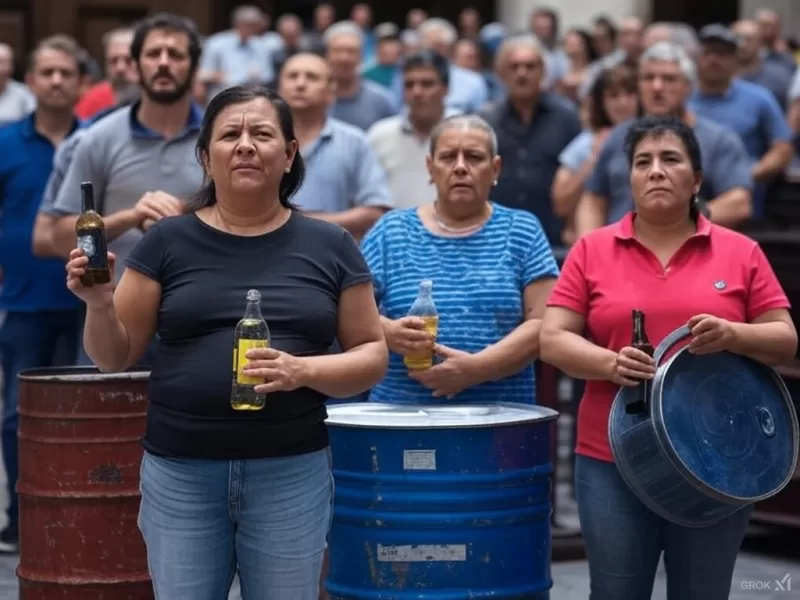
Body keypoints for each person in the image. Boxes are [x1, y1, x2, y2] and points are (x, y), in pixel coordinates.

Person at [64, 83, 388, 599]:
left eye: (261, 134)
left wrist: (302, 371)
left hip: (290, 473)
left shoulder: (331, 245)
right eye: (229, 134)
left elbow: (372, 355)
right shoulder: (166, 241)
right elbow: (112, 357)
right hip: (181, 474)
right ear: (205, 157)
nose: (244, 145)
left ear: (288, 155)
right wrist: (98, 303)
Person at [540, 115, 798, 600]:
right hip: (611, 456)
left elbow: (784, 338)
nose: (656, 171)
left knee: (702, 592)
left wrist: (732, 334)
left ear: (697, 179)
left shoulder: (740, 252)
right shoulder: (592, 250)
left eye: (671, 159)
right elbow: (553, 340)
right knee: (616, 593)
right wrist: (608, 364)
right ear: (629, 178)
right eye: (643, 162)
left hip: (718, 462)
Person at [361, 114, 558, 404]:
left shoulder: (522, 230)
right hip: (400, 417)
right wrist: (387, 331)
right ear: (430, 167)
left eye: (475, 158)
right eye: (448, 157)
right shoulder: (390, 231)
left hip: (501, 419)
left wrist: (478, 369)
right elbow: (347, 311)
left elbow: (544, 322)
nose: (461, 167)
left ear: (495, 168)